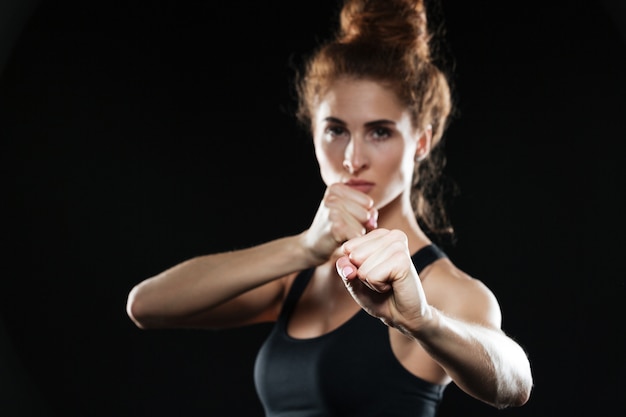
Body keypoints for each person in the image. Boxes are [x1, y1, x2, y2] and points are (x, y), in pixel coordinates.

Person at [126, 0, 533, 415]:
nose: (353, 158)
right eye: (336, 130)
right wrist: (304, 249)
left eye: (379, 132)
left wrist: (423, 321)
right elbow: (146, 305)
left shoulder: (441, 288)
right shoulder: (297, 277)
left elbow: (515, 382)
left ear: (422, 143)